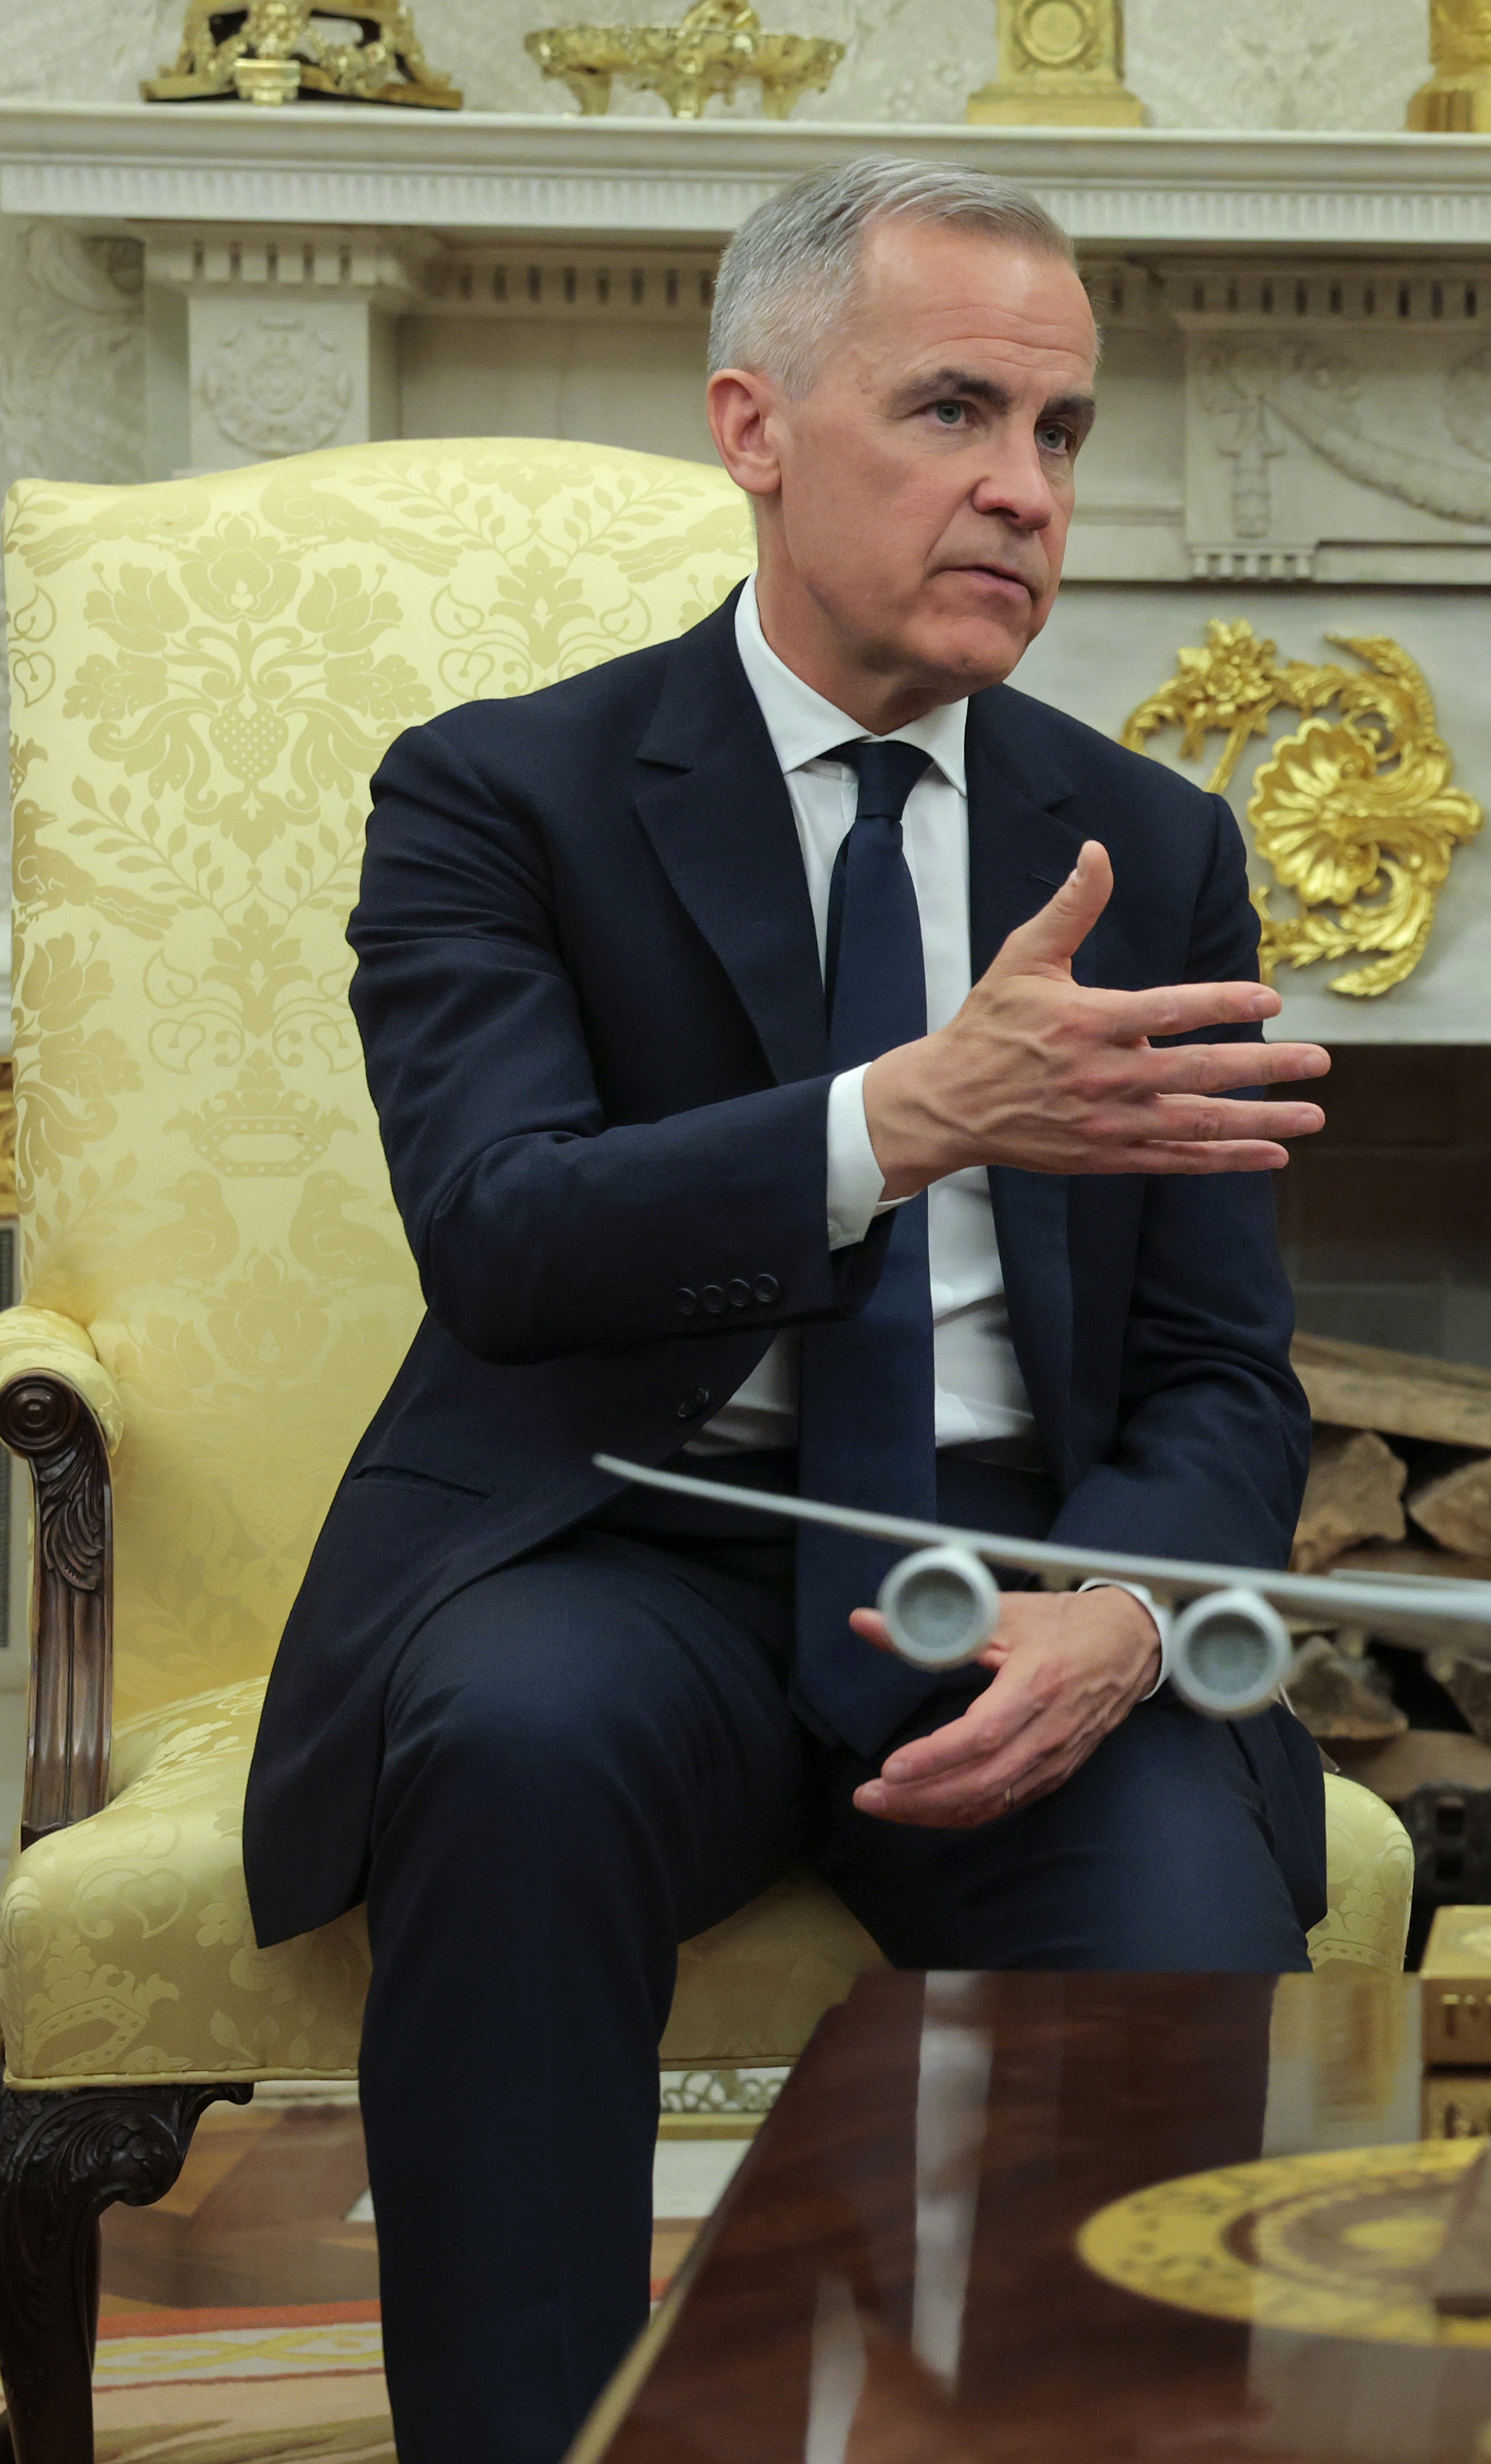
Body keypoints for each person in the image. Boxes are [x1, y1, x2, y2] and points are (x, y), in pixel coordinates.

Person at [238, 156, 1335, 2464]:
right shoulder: (500, 796)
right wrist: (905, 1115)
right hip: (621, 1539)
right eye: (953, 412)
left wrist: (1124, 1610)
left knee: (1177, 1909)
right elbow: (508, 1231)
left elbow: (1231, 1369)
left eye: (1060, 435)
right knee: (510, 1763)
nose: (1022, 493)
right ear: (753, 424)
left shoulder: (1148, 842)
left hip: (1005, 1569)